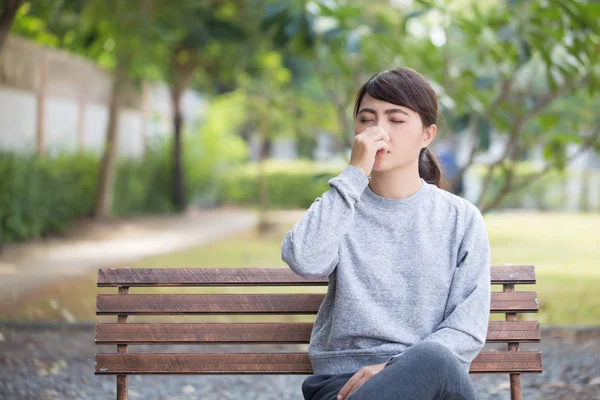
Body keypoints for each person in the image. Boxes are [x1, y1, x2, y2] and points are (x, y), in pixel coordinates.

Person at [281, 67, 491, 400]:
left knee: (435, 359)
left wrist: (395, 365)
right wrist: (353, 174)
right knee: (432, 361)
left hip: (431, 382)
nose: (378, 131)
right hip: (342, 386)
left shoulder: (460, 218)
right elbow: (304, 259)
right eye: (367, 119)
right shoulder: (341, 206)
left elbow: (466, 328)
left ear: (427, 135)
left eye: (396, 119)